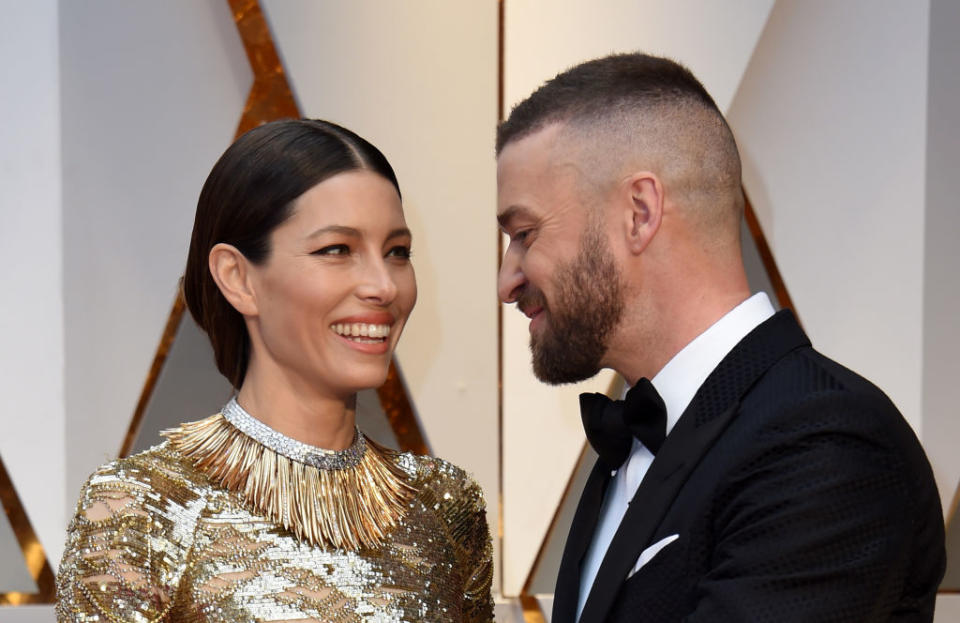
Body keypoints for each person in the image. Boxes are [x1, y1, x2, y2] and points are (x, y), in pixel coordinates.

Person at [496, 53, 945, 622]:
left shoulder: (826, 444)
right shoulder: (631, 442)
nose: (507, 282)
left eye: (524, 234)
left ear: (640, 212)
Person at [57, 119, 494, 622]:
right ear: (237, 277)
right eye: (337, 250)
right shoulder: (138, 509)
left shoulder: (444, 505)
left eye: (397, 252)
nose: (383, 286)